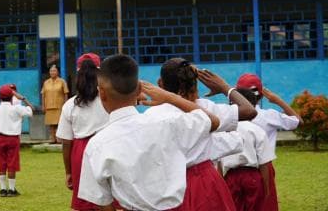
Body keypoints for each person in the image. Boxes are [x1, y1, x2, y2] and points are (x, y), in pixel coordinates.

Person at [78, 54, 220, 210]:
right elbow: (213, 121)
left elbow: (103, 204)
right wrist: (170, 97)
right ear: (139, 89)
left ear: (102, 93)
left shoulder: (97, 145)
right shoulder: (166, 124)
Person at [144, 58, 258, 211]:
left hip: (166, 185)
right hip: (204, 183)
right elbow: (249, 111)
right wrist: (225, 88)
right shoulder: (204, 108)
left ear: (160, 84)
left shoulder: (150, 116)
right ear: (194, 84)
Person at [236, 73, 302, 211]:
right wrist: (277, 100)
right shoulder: (269, 116)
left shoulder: (230, 115)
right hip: (263, 169)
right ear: (260, 95)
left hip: (234, 172)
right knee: (265, 205)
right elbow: (298, 121)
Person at [56, 53, 108, 211]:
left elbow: (66, 142)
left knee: (83, 202)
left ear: (78, 75)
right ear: (100, 73)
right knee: (110, 199)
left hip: (81, 153)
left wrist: (68, 172)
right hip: (107, 149)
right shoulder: (110, 99)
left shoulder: (70, 105)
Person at [219, 88, 275, 211]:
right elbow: (264, 163)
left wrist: (222, 184)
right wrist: (266, 188)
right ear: (253, 107)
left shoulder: (223, 130)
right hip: (252, 177)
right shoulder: (257, 130)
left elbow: (219, 161)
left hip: (230, 177)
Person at [0, 84, 35, 197]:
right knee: (12, 163)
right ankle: (11, 189)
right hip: (13, 139)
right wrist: (23, 98)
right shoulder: (16, 108)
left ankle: (2, 189)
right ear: (12, 97)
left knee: (1, 163)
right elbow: (31, 110)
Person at [41, 64, 69, 143]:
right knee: (51, 124)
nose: (52, 72)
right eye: (51, 71)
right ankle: (52, 139)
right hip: (49, 105)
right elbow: (43, 94)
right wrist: (43, 105)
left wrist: (66, 105)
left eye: (54, 71)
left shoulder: (62, 81)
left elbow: (66, 93)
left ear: (58, 72)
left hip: (59, 105)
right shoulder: (46, 82)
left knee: (59, 123)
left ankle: (59, 139)